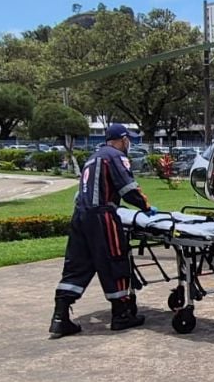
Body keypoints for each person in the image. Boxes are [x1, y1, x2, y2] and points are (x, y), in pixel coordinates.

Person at [49, 124, 155, 338]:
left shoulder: (92, 158)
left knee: (76, 265)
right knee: (115, 261)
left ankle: (60, 318)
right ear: (122, 139)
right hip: (102, 217)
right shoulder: (115, 156)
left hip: (80, 216)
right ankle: (121, 315)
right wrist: (145, 206)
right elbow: (128, 189)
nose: (129, 144)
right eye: (129, 140)